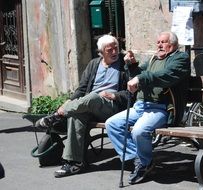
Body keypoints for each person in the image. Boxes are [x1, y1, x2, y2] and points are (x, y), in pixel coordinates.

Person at [36, 34, 135, 178]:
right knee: (76, 115)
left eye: (116, 48)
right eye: (110, 50)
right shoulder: (94, 64)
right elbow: (82, 89)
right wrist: (69, 101)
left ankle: (56, 116)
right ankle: (74, 163)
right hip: (89, 105)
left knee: (93, 97)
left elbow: (133, 92)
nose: (114, 52)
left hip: (112, 107)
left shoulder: (124, 64)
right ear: (101, 52)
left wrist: (116, 95)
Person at [105, 31, 190, 184]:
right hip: (140, 107)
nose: (159, 45)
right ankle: (139, 160)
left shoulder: (180, 59)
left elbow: (165, 75)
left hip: (160, 108)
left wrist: (140, 78)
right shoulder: (152, 59)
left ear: (173, 44)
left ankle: (144, 163)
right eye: (158, 42)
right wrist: (131, 65)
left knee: (139, 130)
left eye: (163, 42)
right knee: (112, 124)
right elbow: (139, 73)